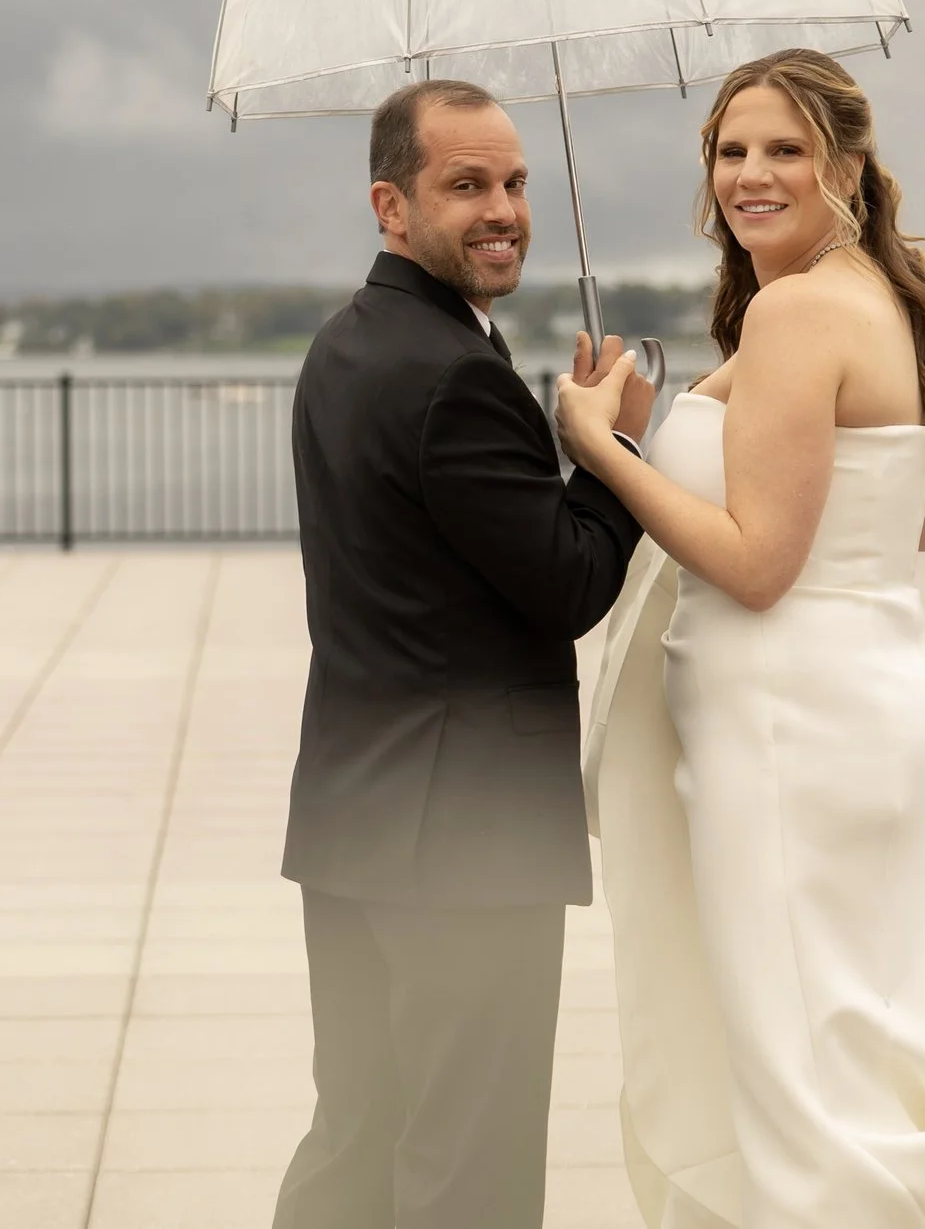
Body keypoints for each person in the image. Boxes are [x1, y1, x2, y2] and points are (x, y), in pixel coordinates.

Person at [560, 48, 925, 1229]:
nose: (751, 175)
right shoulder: (893, 292)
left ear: (849, 165)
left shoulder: (794, 311)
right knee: (855, 1034)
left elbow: (758, 564)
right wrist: (829, 517)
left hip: (786, 728)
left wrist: (602, 451)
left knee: (793, 1059)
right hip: (882, 711)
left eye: (785, 150)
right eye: (731, 150)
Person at [276, 78, 654, 1229]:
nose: (502, 209)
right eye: (466, 185)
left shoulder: (345, 346)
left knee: (359, 1135)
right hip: (466, 838)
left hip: (354, 818)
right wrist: (611, 448)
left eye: (515, 181)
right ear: (392, 205)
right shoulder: (453, 375)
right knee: (468, 1166)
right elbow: (571, 584)